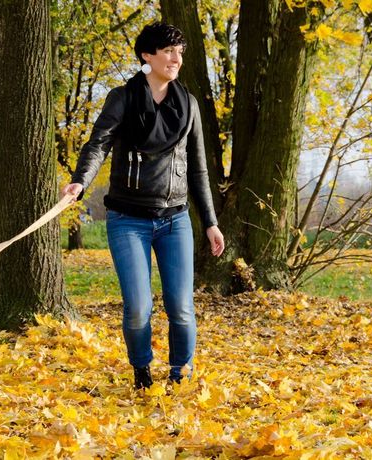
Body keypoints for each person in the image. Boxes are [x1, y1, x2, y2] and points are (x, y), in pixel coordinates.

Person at [62, 22, 225, 389]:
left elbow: (198, 167)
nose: (176, 58)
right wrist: (80, 181)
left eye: (180, 52)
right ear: (147, 56)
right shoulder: (122, 98)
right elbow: (98, 144)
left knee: (181, 308)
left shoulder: (189, 105)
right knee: (138, 309)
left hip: (175, 219)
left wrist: (211, 222)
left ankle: (180, 372)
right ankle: (141, 371)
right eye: (168, 51)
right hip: (127, 219)